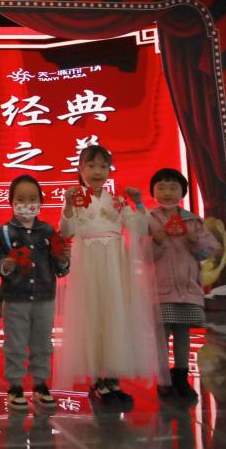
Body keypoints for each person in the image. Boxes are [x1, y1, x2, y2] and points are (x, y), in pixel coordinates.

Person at [55, 144, 165, 410]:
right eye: (91, 166)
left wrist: (139, 203)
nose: (97, 171)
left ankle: (113, 379)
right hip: (89, 266)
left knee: (115, 313)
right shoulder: (76, 200)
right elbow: (66, 230)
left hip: (115, 265)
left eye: (103, 166)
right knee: (93, 315)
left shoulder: (117, 201)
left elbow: (139, 227)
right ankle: (97, 380)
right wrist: (68, 206)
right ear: (80, 169)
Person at [0, 175, 70, 410]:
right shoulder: (4, 232)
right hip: (16, 298)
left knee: (42, 343)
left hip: (44, 297)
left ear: (41, 201)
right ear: (11, 201)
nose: (27, 204)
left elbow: (59, 266)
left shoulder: (48, 231)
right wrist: (4, 264)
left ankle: (40, 384)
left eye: (32, 198)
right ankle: (15, 387)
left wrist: (63, 260)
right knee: (15, 344)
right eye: (21, 199)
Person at [147, 168, 222, 404]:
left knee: (183, 334)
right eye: (161, 187)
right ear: (153, 192)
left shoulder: (193, 221)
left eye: (173, 187)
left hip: (188, 288)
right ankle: (163, 381)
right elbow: (139, 254)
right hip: (160, 290)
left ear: (182, 192)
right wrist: (156, 242)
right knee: (161, 337)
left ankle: (181, 377)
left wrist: (195, 241)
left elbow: (210, 250)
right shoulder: (149, 220)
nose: (167, 192)